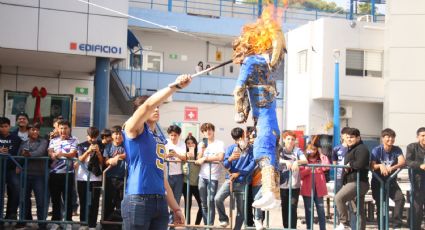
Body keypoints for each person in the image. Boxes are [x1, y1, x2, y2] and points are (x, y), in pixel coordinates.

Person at [232, 5, 286, 210]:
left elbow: (238, 89)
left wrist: (239, 112)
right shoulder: (269, 65)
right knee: (271, 156)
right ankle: (274, 195)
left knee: (262, 153)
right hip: (273, 123)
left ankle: (270, 193)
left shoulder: (250, 62)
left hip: (264, 122)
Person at [121, 74, 191, 229]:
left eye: (158, 106)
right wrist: (175, 86)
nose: (157, 108)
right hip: (138, 199)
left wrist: (176, 207)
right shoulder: (134, 129)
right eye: (155, 106)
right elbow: (147, 106)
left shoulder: (159, 138)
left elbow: (162, 178)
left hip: (160, 201)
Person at [215, 127, 255, 229]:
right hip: (230, 180)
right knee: (217, 198)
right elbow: (225, 164)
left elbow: (252, 165)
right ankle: (224, 219)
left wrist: (239, 173)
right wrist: (230, 159)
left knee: (240, 210)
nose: (239, 140)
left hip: (243, 182)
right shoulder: (231, 148)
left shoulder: (251, 149)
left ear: (244, 135)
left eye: (240, 137)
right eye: (236, 139)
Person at [335, 128, 370, 230]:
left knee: (338, 198)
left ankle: (344, 224)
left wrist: (350, 164)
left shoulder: (361, 148)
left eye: (352, 137)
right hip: (352, 182)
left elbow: (360, 164)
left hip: (358, 182)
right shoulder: (352, 149)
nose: (349, 139)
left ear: (358, 138)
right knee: (358, 210)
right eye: (348, 137)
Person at [370, 128, 405, 230]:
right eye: (388, 137)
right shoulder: (376, 150)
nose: (391, 139)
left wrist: (392, 168)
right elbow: (372, 166)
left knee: (400, 199)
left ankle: (396, 226)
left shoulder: (397, 149)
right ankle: (382, 227)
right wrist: (381, 165)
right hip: (378, 182)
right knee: (381, 205)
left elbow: (402, 162)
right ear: (382, 138)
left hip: (391, 181)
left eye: (392, 137)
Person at [48, 120, 79, 230]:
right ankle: (56, 221)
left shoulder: (74, 140)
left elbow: (72, 153)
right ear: (58, 129)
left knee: (68, 198)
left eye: (65, 128)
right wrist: (52, 155)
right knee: (55, 199)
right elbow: (50, 152)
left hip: (68, 174)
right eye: (61, 128)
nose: (63, 130)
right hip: (54, 174)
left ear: (69, 129)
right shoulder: (53, 140)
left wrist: (61, 154)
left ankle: (68, 221)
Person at [16, 122, 48, 230]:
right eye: (33, 130)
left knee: (40, 200)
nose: (35, 132)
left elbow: (40, 152)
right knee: (24, 199)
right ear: (28, 131)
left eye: (37, 130)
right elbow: (18, 157)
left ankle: (42, 224)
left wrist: (29, 155)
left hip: (39, 175)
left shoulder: (43, 141)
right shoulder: (24, 143)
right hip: (25, 174)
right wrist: (21, 157)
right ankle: (23, 222)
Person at [195, 122, 225, 226]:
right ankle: (206, 224)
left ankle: (210, 225)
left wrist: (206, 158)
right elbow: (198, 159)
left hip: (213, 176)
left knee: (210, 201)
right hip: (202, 176)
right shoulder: (201, 144)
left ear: (213, 131)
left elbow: (220, 157)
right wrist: (202, 152)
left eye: (210, 129)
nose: (208, 132)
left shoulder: (219, 143)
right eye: (205, 130)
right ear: (203, 133)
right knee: (203, 203)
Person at [76, 127, 104, 230]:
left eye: (95, 137)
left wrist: (98, 152)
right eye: (91, 137)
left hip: (96, 178)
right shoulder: (81, 145)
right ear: (87, 135)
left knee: (94, 202)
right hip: (82, 178)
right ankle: (83, 223)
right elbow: (79, 160)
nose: (93, 139)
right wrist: (88, 151)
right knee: (83, 201)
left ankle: (92, 224)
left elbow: (103, 162)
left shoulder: (101, 145)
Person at [279, 131, 307, 229]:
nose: (290, 141)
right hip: (282, 184)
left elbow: (305, 160)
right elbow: (275, 159)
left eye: (292, 139)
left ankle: (292, 228)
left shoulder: (297, 150)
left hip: (294, 184)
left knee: (292, 207)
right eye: (288, 139)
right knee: (284, 208)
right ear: (284, 140)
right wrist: (285, 161)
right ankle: (286, 227)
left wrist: (297, 162)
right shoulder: (280, 150)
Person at [300, 140, 329, 230]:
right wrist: (309, 169)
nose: (312, 151)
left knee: (321, 210)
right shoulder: (304, 159)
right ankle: (309, 228)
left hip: (319, 189)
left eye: (315, 149)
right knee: (309, 211)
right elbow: (300, 174)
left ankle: (323, 228)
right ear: (307, 149)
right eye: (310, 149)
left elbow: (326, 167)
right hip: (307, 189)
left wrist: (321, 154)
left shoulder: (320, 158)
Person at [103, 125, 126, 228]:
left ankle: (120, 225)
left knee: (121, 203)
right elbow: (105, 160)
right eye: (116, 134)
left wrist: (118, 156)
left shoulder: (126, 145)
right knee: (108, 202)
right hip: (110, 178)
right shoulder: (108, 146)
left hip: (123, 178)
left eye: (120, 134)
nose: (118, 136)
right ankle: (107, 224)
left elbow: (128, 154)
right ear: (112, 135)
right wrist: (110, 161)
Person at [0, 117, 22, 225]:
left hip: (12, 169)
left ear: (9, 126)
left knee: (15, 189)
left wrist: (19, 165)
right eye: (1, 126)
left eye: (5, 126)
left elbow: (20, 152)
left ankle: (11, 214)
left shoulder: (16, 138)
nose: (3, 129)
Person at [164, 125, 187, 227]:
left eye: (175, 135)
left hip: (178, 175)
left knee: (176, 201)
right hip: (166, 175)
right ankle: (166, 223)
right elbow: (160, 155)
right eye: (171, 135)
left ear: (179, 135)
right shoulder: (165, 142)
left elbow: (185, 157)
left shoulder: (182, 144)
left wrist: (176, 155)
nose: (173, 137)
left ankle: (172, 224)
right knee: (165, 200)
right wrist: (166, 156)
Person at [406, 127, 425, 230]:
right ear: (418, 137)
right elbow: (408, 161)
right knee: (417, 210)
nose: (424, 138)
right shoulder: (412, 147)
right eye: (423, 135)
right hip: (417, 182)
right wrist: (420, 165)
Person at [181, 135, 202, 225]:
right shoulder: (184, 155)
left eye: (192, 143)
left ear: (196, 144)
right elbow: (184, 170)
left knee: (202, 205)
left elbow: (200, 160)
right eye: (188, 143)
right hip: (186, 183)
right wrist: (187, 160)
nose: (190, 145)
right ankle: (188, 225)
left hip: (197, 184)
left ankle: (197, 225)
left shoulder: (199, 154)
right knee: (187, 205)